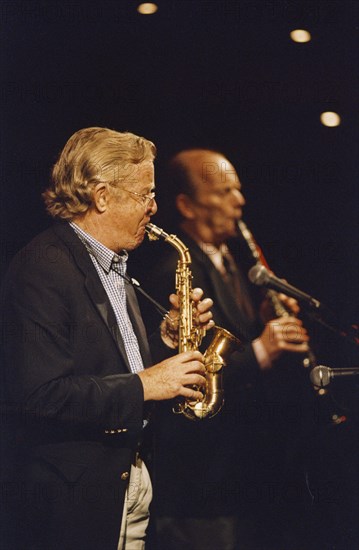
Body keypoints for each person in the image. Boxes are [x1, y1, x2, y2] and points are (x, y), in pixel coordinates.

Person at [0, 129, 214, 550]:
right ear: (101, 196)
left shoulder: (113, 262)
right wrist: (147, 385)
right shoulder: (42, 267)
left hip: (126, 482)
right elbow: (39, 395)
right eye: (144, 194)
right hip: (72, 502)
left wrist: (167, 339)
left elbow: (109, 367)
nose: (154, 208)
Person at [140, 149, 312, 550]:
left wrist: (266, 316)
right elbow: (190, 370)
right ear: (185, 205)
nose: (240, 200)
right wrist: (263, 348)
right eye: (224, 191)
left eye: (238, 188)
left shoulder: (229, 259)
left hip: (237, 470)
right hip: (199, 481)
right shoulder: (174, 269)